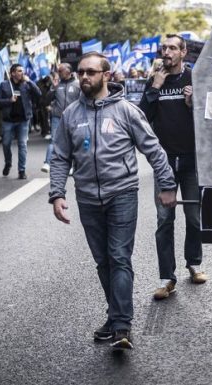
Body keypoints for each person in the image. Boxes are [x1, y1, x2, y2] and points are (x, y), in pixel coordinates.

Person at [49, 52, 177, 350]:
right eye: (81, 72)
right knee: (103, 261)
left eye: (91, 72)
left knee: (119, 256)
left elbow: (154, 150)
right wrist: (57, 194)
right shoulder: (70, 114)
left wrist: (168, 184)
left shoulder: (126, 111)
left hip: (122, 194)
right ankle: (114, 316)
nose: (84, 77)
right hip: (88, 198)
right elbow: (59, 157)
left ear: (106, 75)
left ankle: (121, 326)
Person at [138, 34, 207, 300]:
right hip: (164, 163)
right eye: (164, 48)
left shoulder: (194, 79)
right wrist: (154, 87)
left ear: (183, 52)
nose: (166, 52)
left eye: (172, 48)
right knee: (164, 219)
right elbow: (142, 119)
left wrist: (192, 105)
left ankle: (195, 263)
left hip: (191, 160)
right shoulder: (154, 80)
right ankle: (167, 277)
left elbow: (207, 120)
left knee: (194, 217)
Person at [0, 64, 41, 179]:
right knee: (6, 144)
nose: (22, 73)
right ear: (13, 73)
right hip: (8, 120)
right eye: (19, 71)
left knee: (22, 144)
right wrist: (9, 100)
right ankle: (8, 162)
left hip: (23, 120)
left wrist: (30, 82)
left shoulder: (26, 84)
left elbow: (38, 94)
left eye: (22, 71)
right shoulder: (4, 85)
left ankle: (21, 170)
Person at [41, 63, 80, 173]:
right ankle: (47, 163)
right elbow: (46, 101)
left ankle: (72, 166)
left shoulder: (78, 84)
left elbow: (83, 101)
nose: (58, 73)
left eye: (60, 71)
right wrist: (53, 88)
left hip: (73, 118)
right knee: (54, 140)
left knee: (73, 141)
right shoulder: (57, 85)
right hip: (57, 117)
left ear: (68, 72)